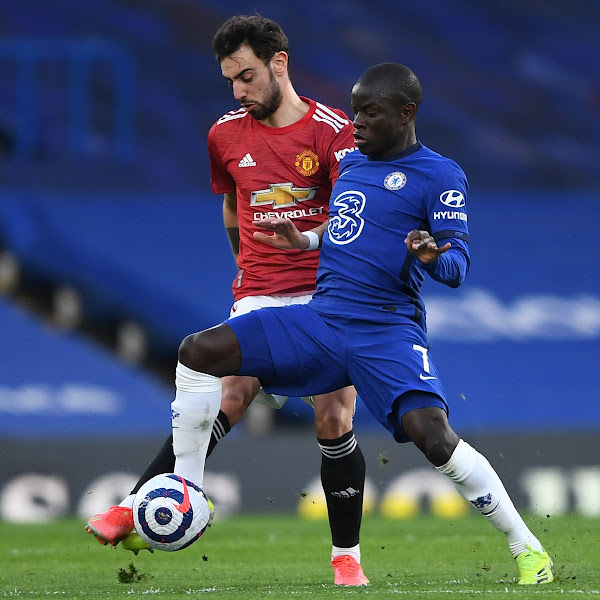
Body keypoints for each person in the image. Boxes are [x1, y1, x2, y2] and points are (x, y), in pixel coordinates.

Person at [156, 62, 554, 585]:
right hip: (321, 320)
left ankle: (527, 549)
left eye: (370, 112)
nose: (357, 122)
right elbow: (348, 229)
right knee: (197, 351)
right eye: (355, 110)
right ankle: (186, 491)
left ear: (405, 113)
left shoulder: (439, 174)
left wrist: (432, 256)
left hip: (385, 330)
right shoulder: (353, 167)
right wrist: (306, 240)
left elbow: (457, 266)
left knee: (433, 437)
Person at [85, 15, 369, 587]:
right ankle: (139, 503)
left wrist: (317, 254)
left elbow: (355, 214)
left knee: (333, 415)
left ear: (279, 63)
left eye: (246, 77)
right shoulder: (224, 135)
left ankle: (347, 559)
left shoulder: (334, 132)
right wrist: (247, 266)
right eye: (230, 81)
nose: (238, 91)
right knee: (230, 393)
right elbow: (234, 204)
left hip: (324, 293)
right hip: (259, 291)